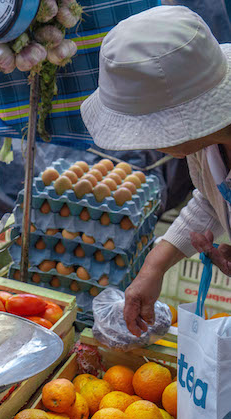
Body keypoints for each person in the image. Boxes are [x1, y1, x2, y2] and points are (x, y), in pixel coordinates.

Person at [80, 5, 231, 337]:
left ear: (180, 126)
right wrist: (154, 265)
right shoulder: (206, 144)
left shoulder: (199, 138)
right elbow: (212, 198)